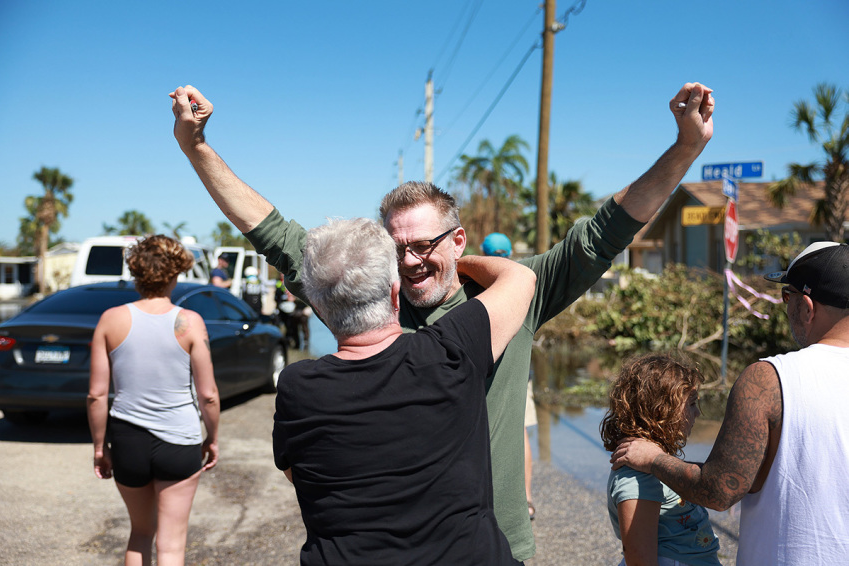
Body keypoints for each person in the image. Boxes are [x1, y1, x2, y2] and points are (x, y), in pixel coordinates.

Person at [170, 81, 714, 561]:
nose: (408, 260)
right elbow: (272, 232)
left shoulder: (508, 301)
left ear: (458, 240)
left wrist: (685, 148)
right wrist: (197, 149)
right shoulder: (371, 307)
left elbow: (606, 231)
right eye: (396, 246)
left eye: (424, 244)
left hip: (493, 544)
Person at [273, 217, 536, 565]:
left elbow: (299, 474)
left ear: (320, 308)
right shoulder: (450, 351)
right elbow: (521, 277)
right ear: (396, 294)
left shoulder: (297, 387)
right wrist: (458, 261)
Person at [611, 241, 849, 565]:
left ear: (807, 307)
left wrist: (653, 459)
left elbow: (721, 489)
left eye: (787, 296)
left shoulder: (767, 381)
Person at [87, 235, 220, 566]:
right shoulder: (190, 323)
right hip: (179, 440)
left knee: (140, 534)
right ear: (175, 275)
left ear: (135, 273)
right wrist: (213, 438)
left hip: (128, 440)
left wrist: (100, 448)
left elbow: (96, 395)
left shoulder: (110, 320)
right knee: (172, 545)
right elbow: (208, 395)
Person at [600, 354, 720, 566]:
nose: (698, 413)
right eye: (691, 404)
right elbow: (638, 559)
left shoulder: (653, 463)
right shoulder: (638, 476)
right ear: (661, 411)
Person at [481, 232, 537, 521]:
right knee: (521, 432)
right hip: (520, 369)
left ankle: (499, 498)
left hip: (491, 372)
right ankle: (526, 497)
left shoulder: (481, 285)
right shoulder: (521, 280)